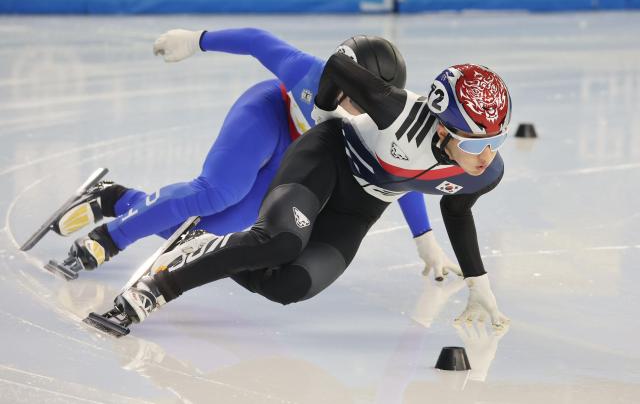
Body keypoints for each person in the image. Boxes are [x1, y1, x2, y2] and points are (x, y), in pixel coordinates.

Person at [111, 51, 512, 331]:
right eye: (476, 142)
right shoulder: (397, 111)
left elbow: (457, 213)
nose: (486, 154)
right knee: (280, 241)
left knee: (287, 286)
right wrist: (324, 112)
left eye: (497, 139)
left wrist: (480, 287)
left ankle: (202, 242)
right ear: (442, 127)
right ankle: (159, 286)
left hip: (360, 206)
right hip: (327, 158)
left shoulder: (484, 173)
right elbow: (338, 66)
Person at [51, 28, 459, 281]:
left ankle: (116, 199)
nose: (367, 111)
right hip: (268, 115)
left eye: (377, 102)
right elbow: (257, 41)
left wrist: (424, 238)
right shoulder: (306, 72)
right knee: (217, 192)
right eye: (358, 97)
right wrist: (197, 40)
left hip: (300, 153)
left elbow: (401, 174)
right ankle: (108, 238)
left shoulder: (383, 122)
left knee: (212, 236)